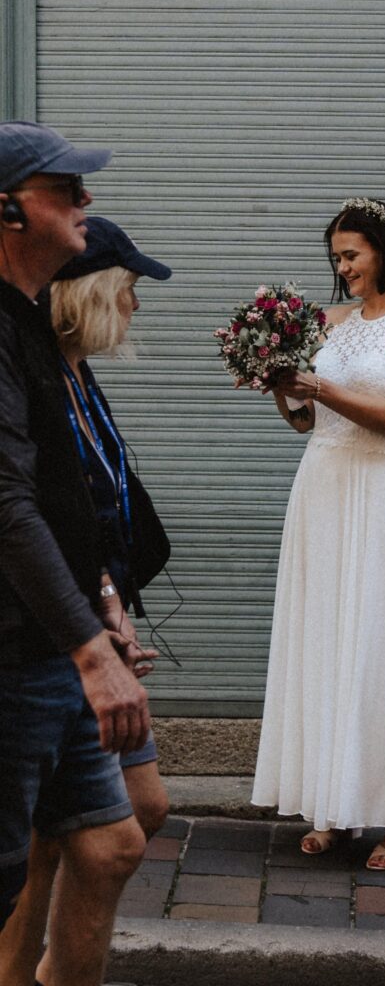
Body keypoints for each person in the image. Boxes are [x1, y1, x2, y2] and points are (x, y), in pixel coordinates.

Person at [251, 196, 385, 869]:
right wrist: (283, 387)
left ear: (383, 251)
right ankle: (332, 805)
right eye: (336, 257)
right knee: (325, 640)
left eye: (351, 255)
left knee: (376, 642)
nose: (342, 267)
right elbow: (305, 422)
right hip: (322, 488)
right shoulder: (326, 322)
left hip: (378, 490)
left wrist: (320, 389)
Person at [0, 121, 149, 986]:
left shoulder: (28, 326)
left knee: (111, 841)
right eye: (66, 189)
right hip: (17, 657)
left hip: (55, 645)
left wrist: (98, 598)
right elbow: (6, 507)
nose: (86, 202)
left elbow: (57, 496)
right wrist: (93, 652)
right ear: (10, 210)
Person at [27, 216, 173, 986]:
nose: (136, 307)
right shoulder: (38, 377)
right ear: (89, 291)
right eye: (128, 289)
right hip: (56, 639)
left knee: (133, 818)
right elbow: (37, 518)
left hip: (92, 627)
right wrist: (98, 612)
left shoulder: (80, 374)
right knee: (84, 839)